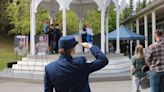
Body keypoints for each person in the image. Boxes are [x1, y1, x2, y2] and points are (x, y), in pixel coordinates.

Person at [44, 35, 109, 92]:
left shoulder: (49, 68)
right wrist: (91, 46)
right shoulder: (80, 64)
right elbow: (103, 60)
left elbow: (47, 90)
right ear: (73, 49)